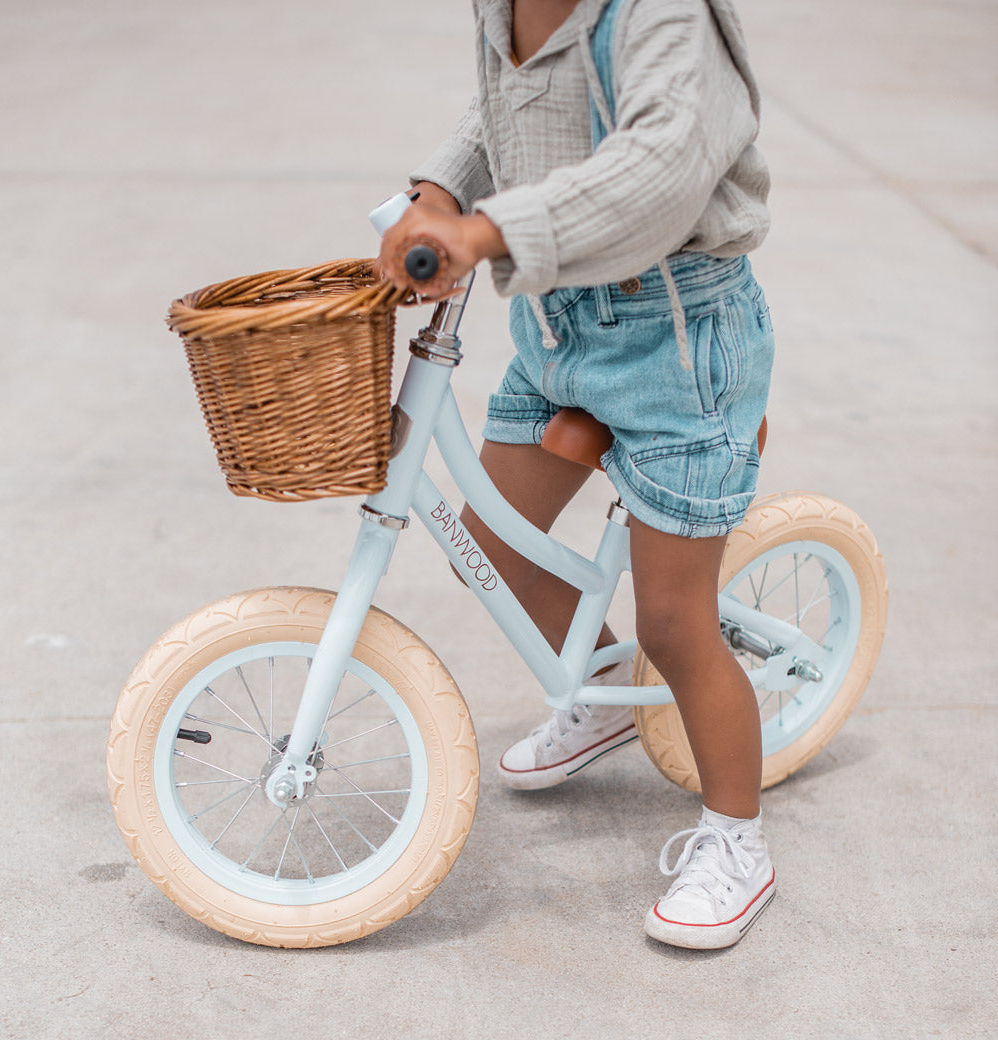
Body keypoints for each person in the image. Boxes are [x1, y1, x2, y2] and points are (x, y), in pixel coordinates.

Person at [378, 0, 776, 950]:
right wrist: (440, 189)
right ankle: (598, 690)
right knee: (488, 538)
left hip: (678, 337)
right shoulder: (505, 7)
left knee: (673, 626)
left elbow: (659, 168)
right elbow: (498, 116)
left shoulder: (663, 15)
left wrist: (486, 231)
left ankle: (738, 839)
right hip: (559, 329)